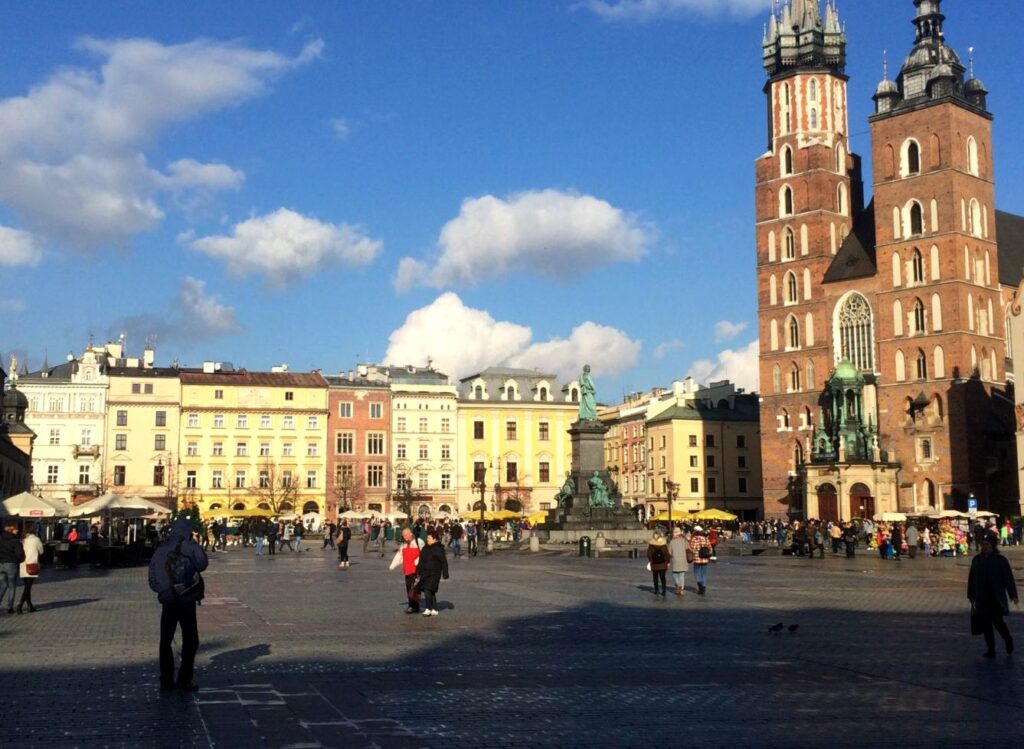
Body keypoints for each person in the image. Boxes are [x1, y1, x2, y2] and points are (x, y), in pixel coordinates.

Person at [148, 516, 209, 691]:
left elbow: (152, 575)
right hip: (186, 598)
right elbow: (203, 564)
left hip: (168, 600)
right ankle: (184, 679)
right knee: (191, 639)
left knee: (165, 640)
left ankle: (166, 680)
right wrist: (193, 544)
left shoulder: (162, 548)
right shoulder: (190, 546)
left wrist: (162, 590)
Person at [968, 532, 1018, 658]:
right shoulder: (977, 560)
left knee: (998, 622)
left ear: (993, 546)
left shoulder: (1001, 560)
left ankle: (1007, 639)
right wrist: (971, 596)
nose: (985, 547)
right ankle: (991, 649)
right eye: (983, 545)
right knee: (986, 625)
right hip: (982, 598)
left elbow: (1008, 578)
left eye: (987, 545)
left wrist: (1013, 594)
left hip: (996, 598)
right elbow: (971, 578)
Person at [416, 529, 450, 616]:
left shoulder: (439, 548)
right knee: (431, 591)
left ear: (434, 539)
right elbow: (421, 561)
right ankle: (434, 609)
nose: (427, 540)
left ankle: (428, 608)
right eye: (427, 538)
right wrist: (418, 571)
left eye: (429, 538)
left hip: (434, 573)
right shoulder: (425, 548)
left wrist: (445, 573)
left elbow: (444, 562)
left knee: (427, 589)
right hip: (425, 572)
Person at [389, 528, 424, 614]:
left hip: (416, 570)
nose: (405, 537)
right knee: (409, 588)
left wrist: (419, 563)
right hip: (407, 570)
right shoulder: (403, 545)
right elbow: (399, 555)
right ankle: (412, 605)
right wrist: (392, 565)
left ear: (411, 534)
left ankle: (414, 606)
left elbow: (424, 554)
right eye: (403, 536)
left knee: (414, 588)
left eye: (406, 535)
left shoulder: (419, 542)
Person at [17, 522, 44, 614]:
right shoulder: (36, 539)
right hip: (32, 565)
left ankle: (30, 605)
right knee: (28, 587)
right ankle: (20, 604)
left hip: (23, 564)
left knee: (27, 586)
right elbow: (41, 551)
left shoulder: (23, 539)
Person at [0, 522, 25, 614]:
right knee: (12, 585)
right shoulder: (15, 540)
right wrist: (18, 561)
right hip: (11, 563)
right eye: (16, 529)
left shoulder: (0, 538)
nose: (17, 530)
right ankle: (9, 606)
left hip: (0, 564)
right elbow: (20, 554)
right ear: (12, 530)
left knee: (3, 585)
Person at [689, 526, 712, 595]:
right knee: (704, 573)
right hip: (705, 559)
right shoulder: (706, 539)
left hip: (697, 559)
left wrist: (695, 553)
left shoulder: (694, 539)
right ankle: (703, 586)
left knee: (696, 572)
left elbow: (691, 549)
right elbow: (710, 548)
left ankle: (700, 584)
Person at [668, 527, 689, 597]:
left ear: (674, 533)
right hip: (683, 560)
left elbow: (669, 552)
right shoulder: (684, 540)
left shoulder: (671, 542)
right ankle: (681, 589)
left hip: (675, 560)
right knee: (681, 575)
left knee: (675, 574)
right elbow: (688, 548)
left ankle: (678, 585)